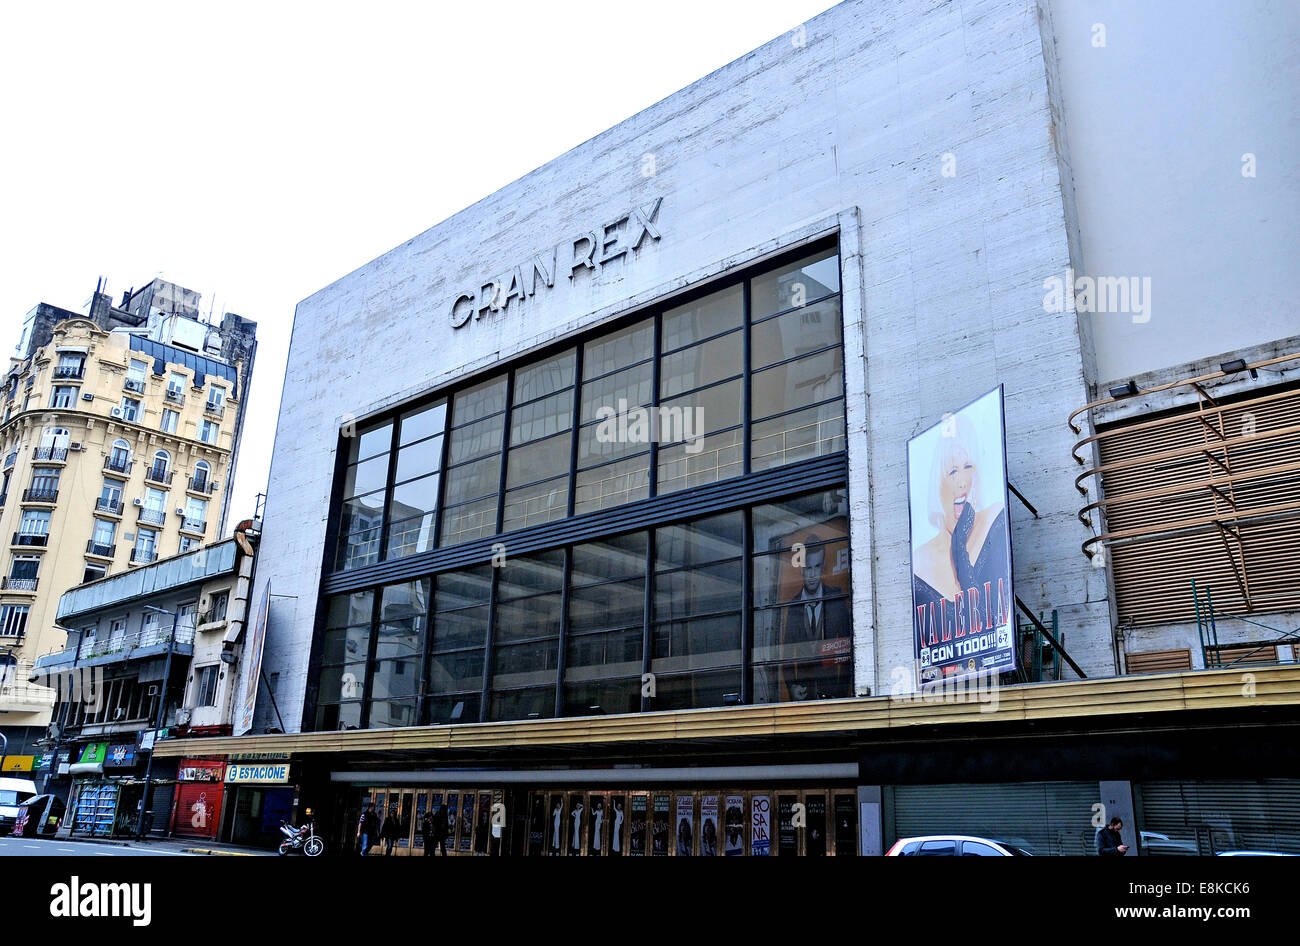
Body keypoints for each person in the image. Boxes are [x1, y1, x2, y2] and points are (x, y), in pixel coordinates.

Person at [911, 412, 1010, 683]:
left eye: (969, 466)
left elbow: (989, 620)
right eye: (952, 471)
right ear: (937, 481)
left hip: (999, 686)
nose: (962, 481)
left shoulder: (995, 521)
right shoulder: (918, 562)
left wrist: (960, 549)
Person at [781, 539, 852, 701]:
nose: (812, 575)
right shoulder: (794, 605)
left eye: (817, 567)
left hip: (833, 695)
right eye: (808, 568)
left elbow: (849, 650)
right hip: (804, 694)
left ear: (823, 567)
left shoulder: (836, 600)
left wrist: (841, 693)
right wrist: (792, 686)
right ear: (801, 570)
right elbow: (785, 654)